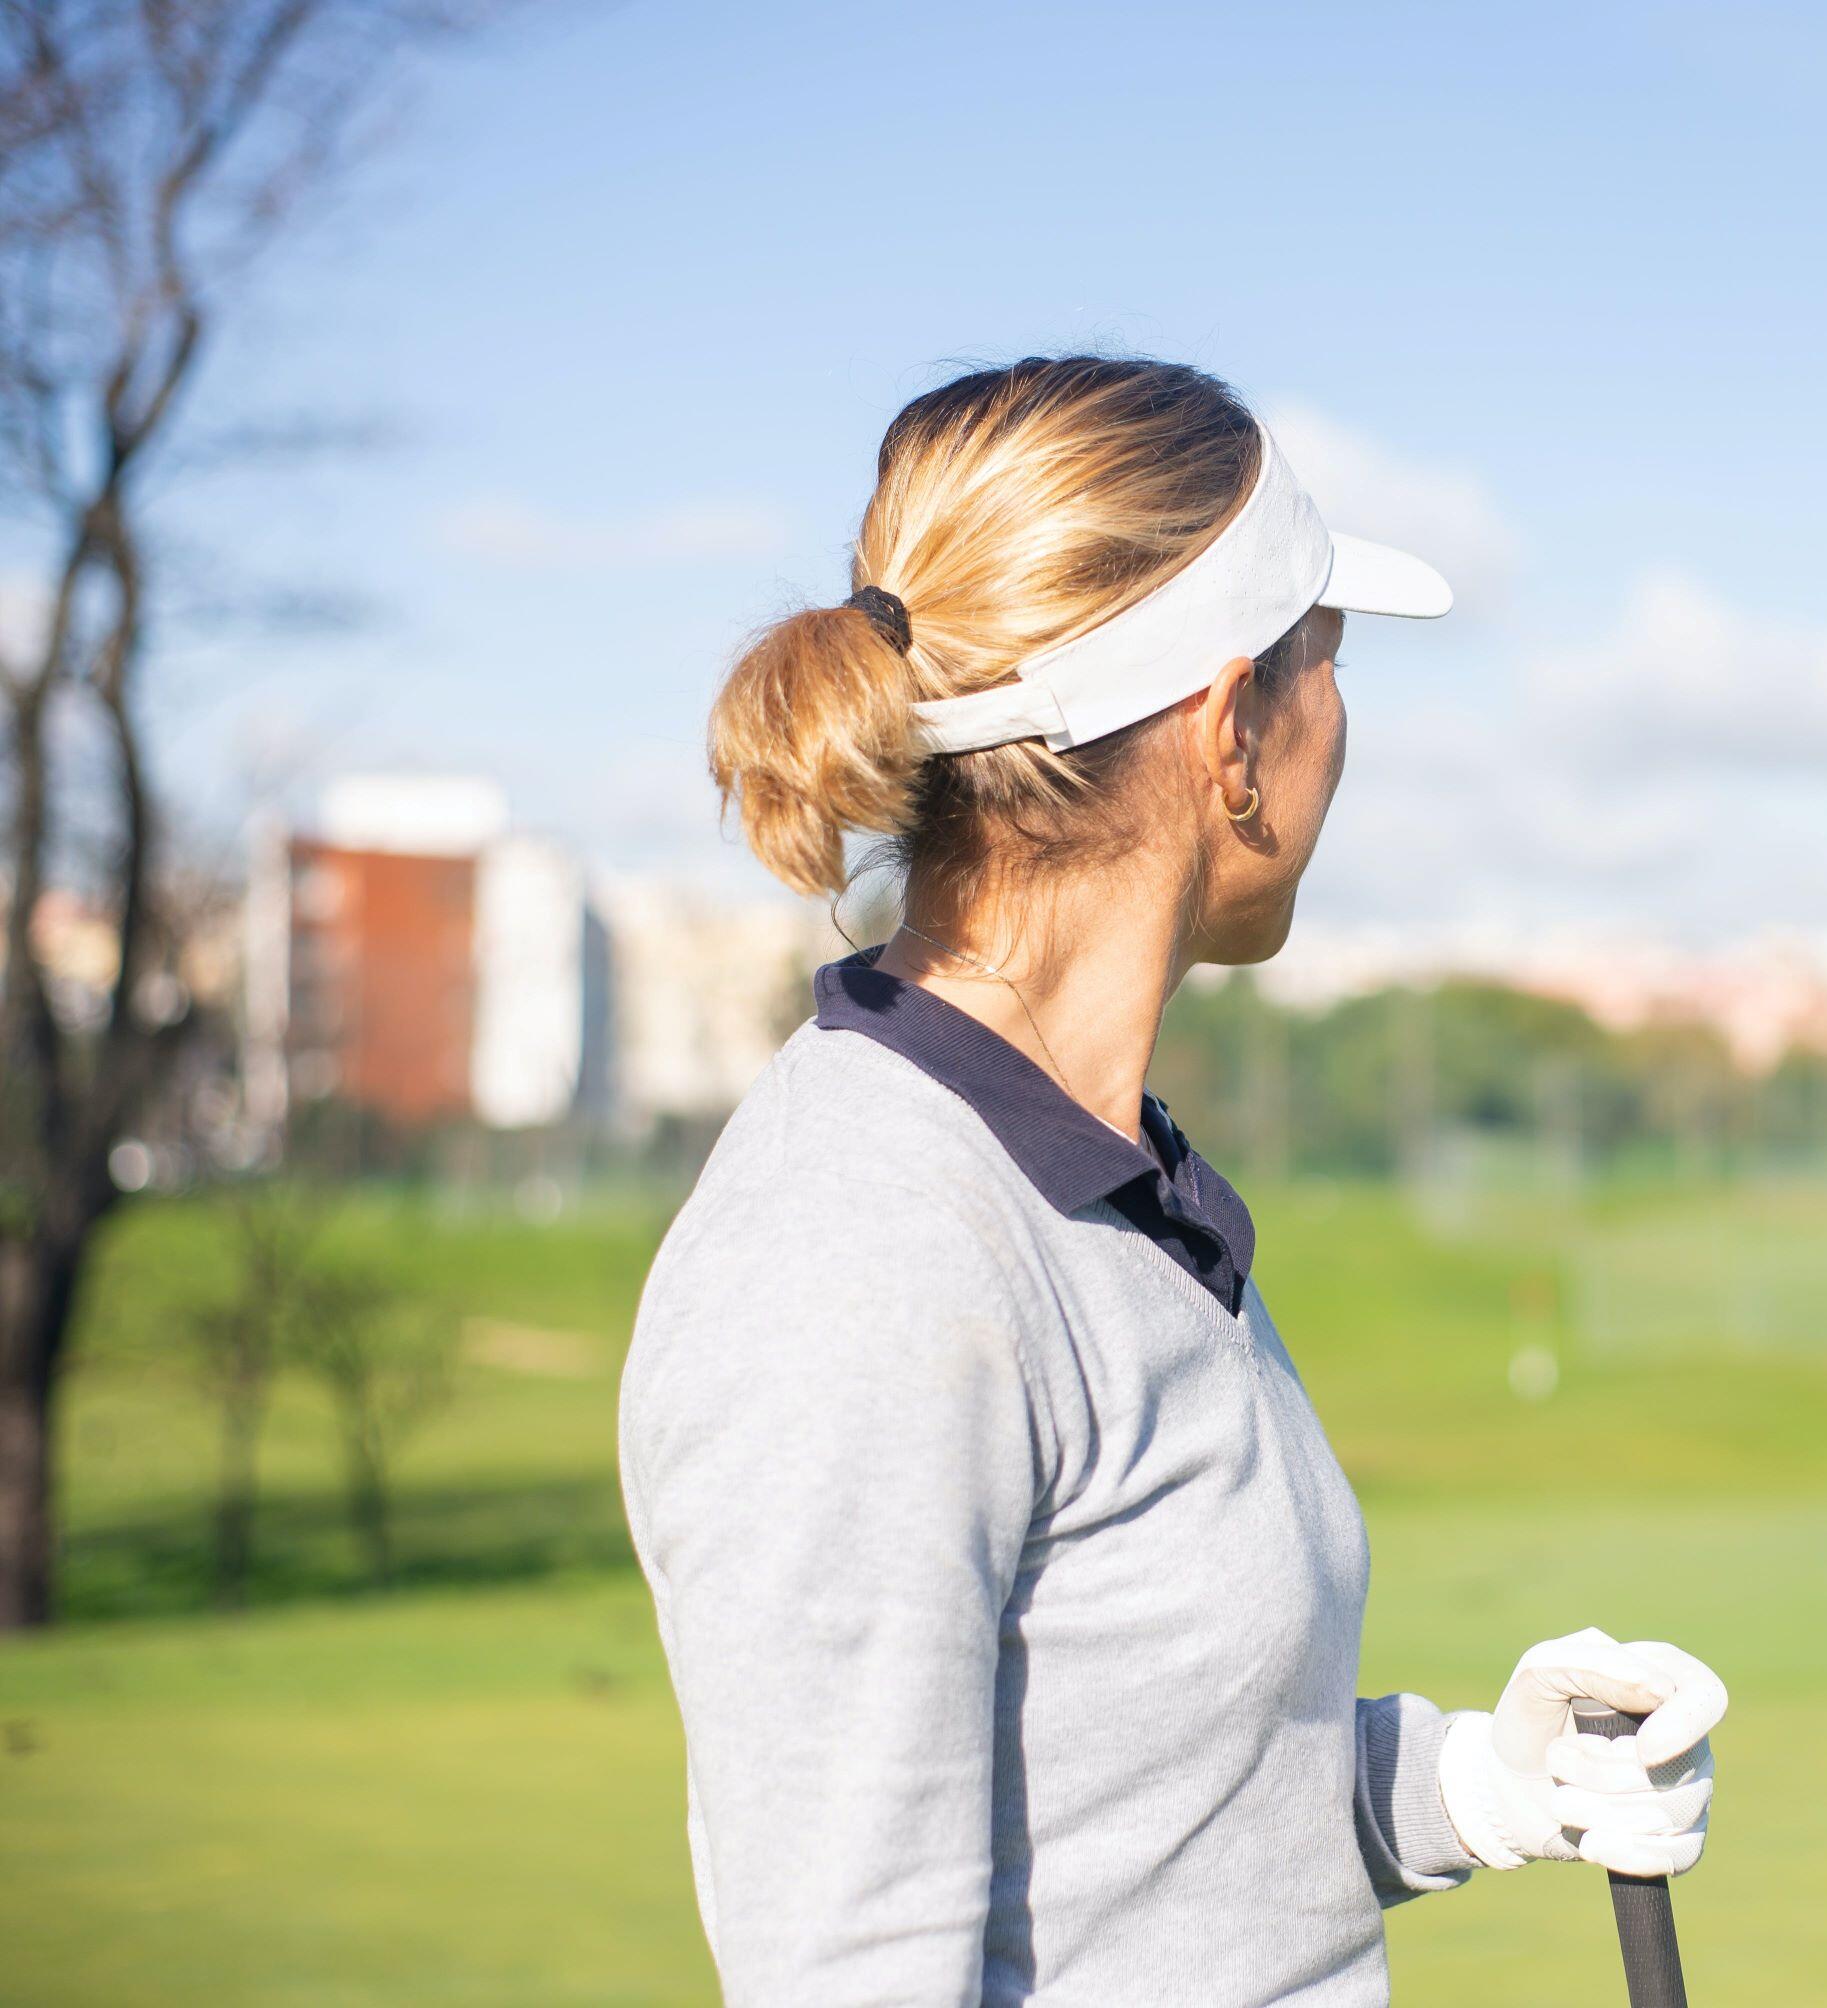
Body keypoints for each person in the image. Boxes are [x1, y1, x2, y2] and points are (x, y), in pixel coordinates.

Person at [618, 354, 1727, 2005]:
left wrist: (1478, 1787)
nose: (1344, 723)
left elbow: (1157, 1840)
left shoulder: (1099, 1174)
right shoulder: (861, 1250)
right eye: (1328, 664)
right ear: (1229, 732)